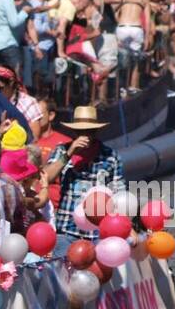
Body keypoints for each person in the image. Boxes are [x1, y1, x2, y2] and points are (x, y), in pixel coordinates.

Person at [44, 105, 125, 246]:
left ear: (96, 131)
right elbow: (47, 177)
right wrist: (69, 154)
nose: (86, 134)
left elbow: (119, 195)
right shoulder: (62, 150)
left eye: (90, 131)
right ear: (75, 131)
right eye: (82, 131)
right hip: (66, 229)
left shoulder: (110, 156)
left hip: (97, 232)